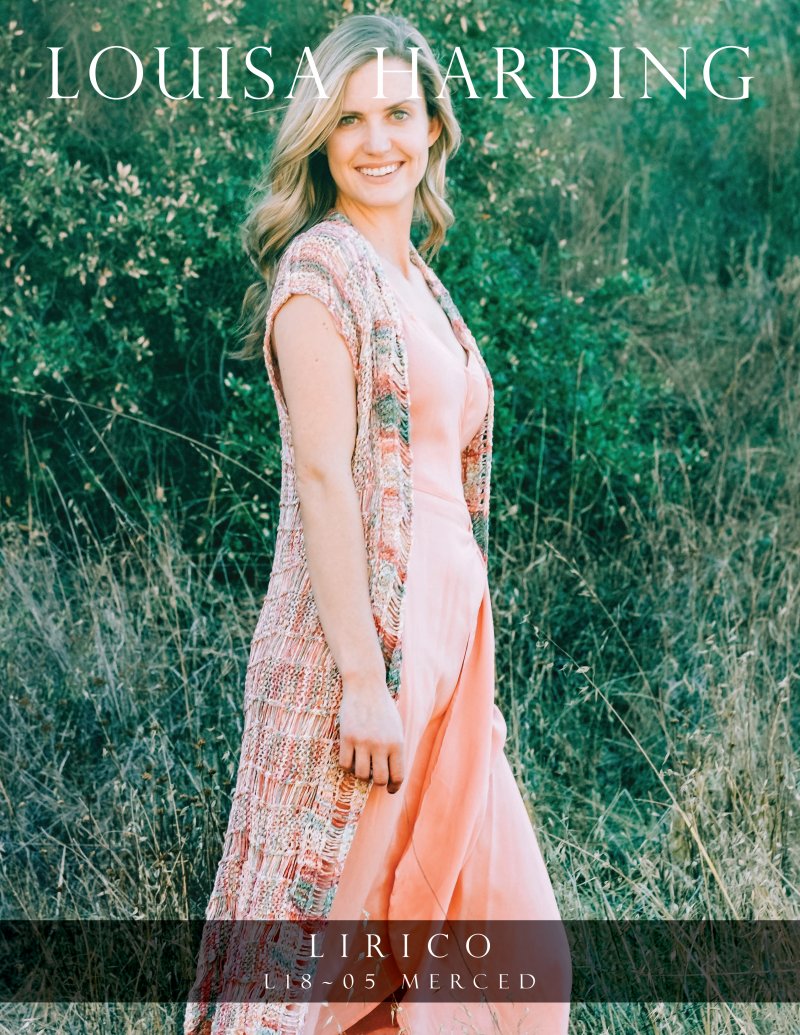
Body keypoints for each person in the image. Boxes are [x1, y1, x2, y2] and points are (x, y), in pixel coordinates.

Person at [184, 13, 571, 1034]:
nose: (375, 140)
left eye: (397, 113)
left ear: (433, 126)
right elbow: (323, 479)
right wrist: (364, 681)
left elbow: (444, 501)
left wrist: (469, 689)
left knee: (516, 964)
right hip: (363, 673)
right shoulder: (321, 273)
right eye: (349, 120)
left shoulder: (422, 287)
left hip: (449, 674)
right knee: (321, 981)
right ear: (320, 141)